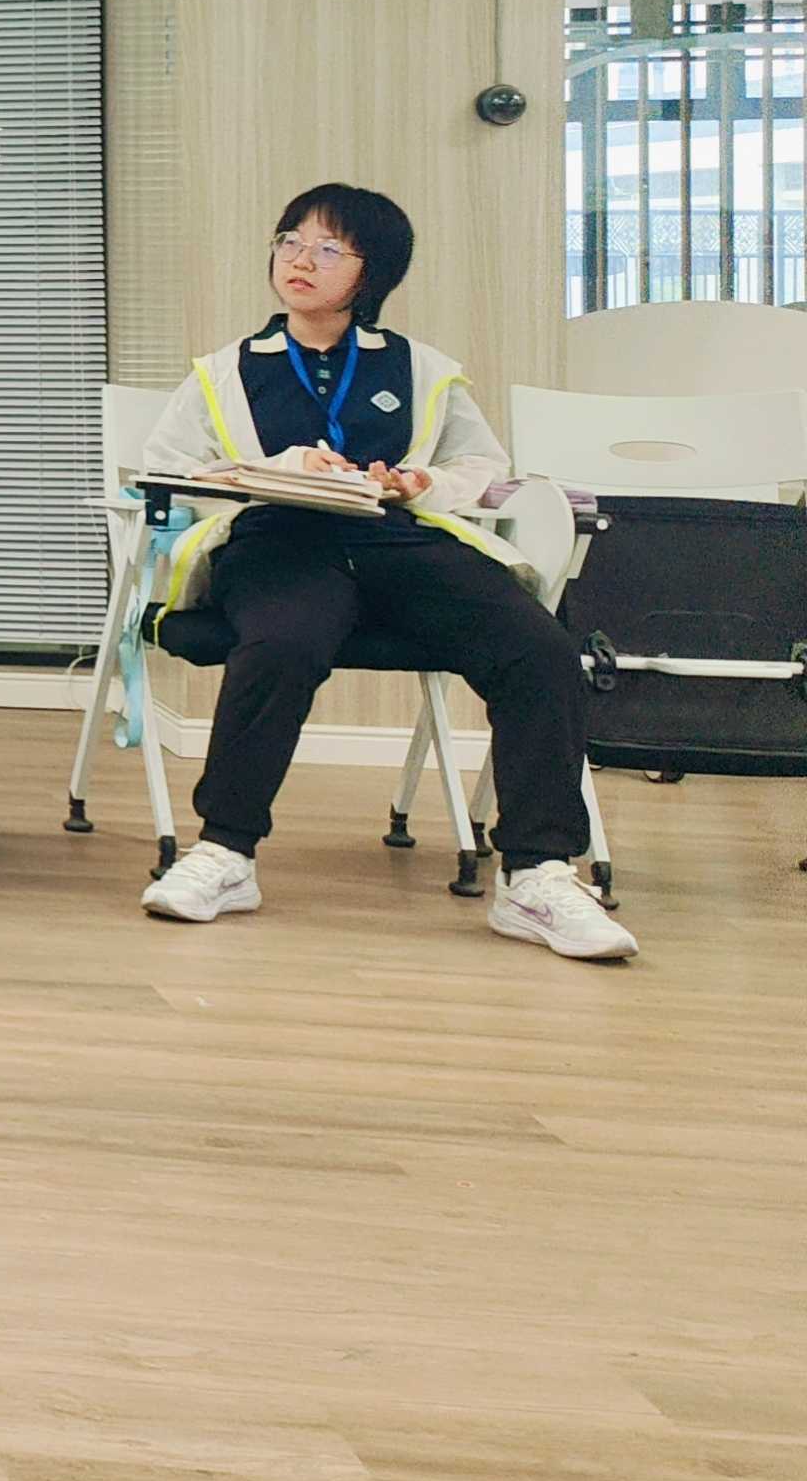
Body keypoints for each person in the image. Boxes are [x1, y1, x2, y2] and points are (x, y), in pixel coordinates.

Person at [135, 184, 637, 959]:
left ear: (372, 273)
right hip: (278, 539)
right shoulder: (226, 370)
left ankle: (536, 874)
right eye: (290, 241)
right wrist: (276, 468)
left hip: (394, 540)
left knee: (538, 648)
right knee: (281, 643)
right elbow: (167, 469)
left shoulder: (422, 368)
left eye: (328, 249)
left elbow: (482, 466)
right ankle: (226, 852)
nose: (301, 260)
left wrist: (419, 481)